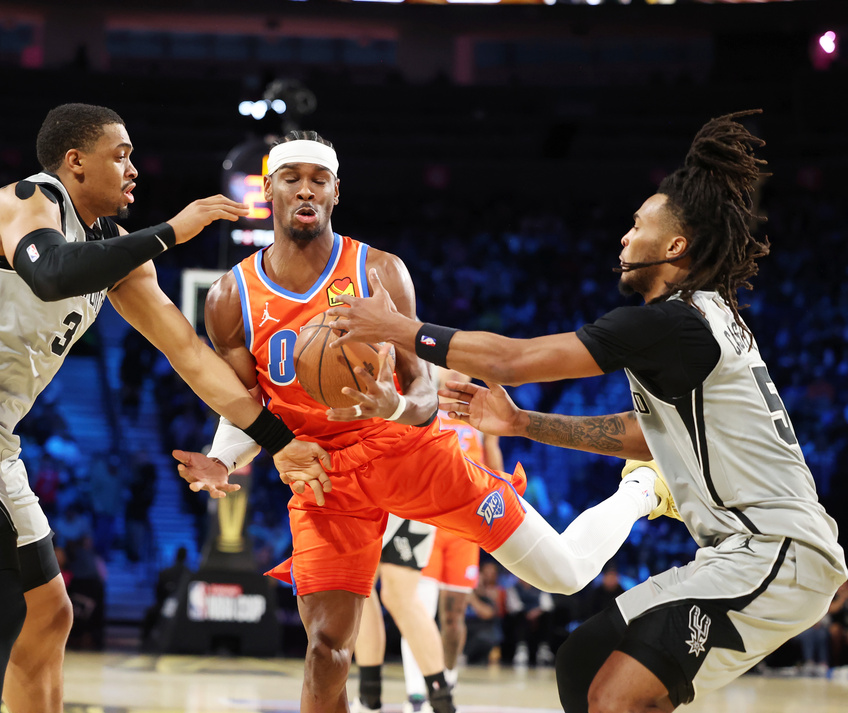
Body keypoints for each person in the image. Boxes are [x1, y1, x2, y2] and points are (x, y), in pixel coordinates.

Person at [328, 111, 848, 712]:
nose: (623, 237)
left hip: (776, 550)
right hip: (741, 551)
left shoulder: (668, 323)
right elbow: (644, 436)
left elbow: (512, 359)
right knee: (582, 659)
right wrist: (524, 424)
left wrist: (398, 327)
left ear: (675, 246)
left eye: (637, 225)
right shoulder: (699, 317)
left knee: (615, 698)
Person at [172, 131, 677, 713]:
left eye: (319, 179)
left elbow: (423, 396)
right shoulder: (230, 296)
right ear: (271, 190)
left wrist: (389, 405)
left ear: (337, 192)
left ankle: (639, 488)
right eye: (292, 178)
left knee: (561, 574)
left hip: (409, 453)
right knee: (327, 647)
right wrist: (223, 458)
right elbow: (243, 405)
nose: (306, 189)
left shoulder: (380, 271)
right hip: (324, 474)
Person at [0, 103, 330, 713]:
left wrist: (277, 439)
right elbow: (51, 273)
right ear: (75, 162)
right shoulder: (29, 198)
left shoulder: (116, 255)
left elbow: (187, 353)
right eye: (121, 154)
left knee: (47, 615)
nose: (134, 168)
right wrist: (171, 231)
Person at [398, 368, 504, 711]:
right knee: (418, 609)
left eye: (463, 366)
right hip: (427, 519)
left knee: (454, 616)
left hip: (466, 525)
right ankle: (417, 690)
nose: (457, 371)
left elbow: (493, 452)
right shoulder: (427, 405)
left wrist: (502, 492)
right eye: (449, 365)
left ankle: (448, 680)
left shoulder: (478, 410)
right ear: (437, 371)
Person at [350, 513, 448, 713]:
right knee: (358, 587)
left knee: (398, 596)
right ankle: (369, 698)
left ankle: (443, 704)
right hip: (374, 496)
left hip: (406, 497)